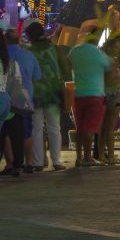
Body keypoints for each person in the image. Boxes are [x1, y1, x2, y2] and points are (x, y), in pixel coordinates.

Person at [25, 21, 70, 171]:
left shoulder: (29, 51)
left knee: (36, 128)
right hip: (53, 92)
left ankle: (38, 162)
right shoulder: (55, 49)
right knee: (54, 127)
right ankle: (56, 161)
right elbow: (66, 69)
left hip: (35, 94)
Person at [69, 32, 112, 167]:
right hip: (95, 94)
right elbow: (110, 68)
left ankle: (79, 158)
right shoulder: (99, 54)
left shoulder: (75, 51)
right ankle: (88, 157)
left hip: (79, 93)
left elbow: (67, 64)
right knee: (89, 128)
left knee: (80, 128)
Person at [3, 26, 41, 175]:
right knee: (26, 132)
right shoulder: (29, 55)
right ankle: (29, 163)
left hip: (6, 101)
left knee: (6, 133)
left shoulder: (3, 56)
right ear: (19, 39)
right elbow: (37, 77)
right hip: (25, 100)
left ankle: (10, 164)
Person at [99, 33, 120, 165]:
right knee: (110, 127)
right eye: (116, 46)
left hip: (103, 93)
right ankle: (110, 156)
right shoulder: (111, 61)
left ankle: (101, 155)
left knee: (103, 128)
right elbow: (113, 79)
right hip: (113, 94)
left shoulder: (102, 60)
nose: (119, 49)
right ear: (110, 48)